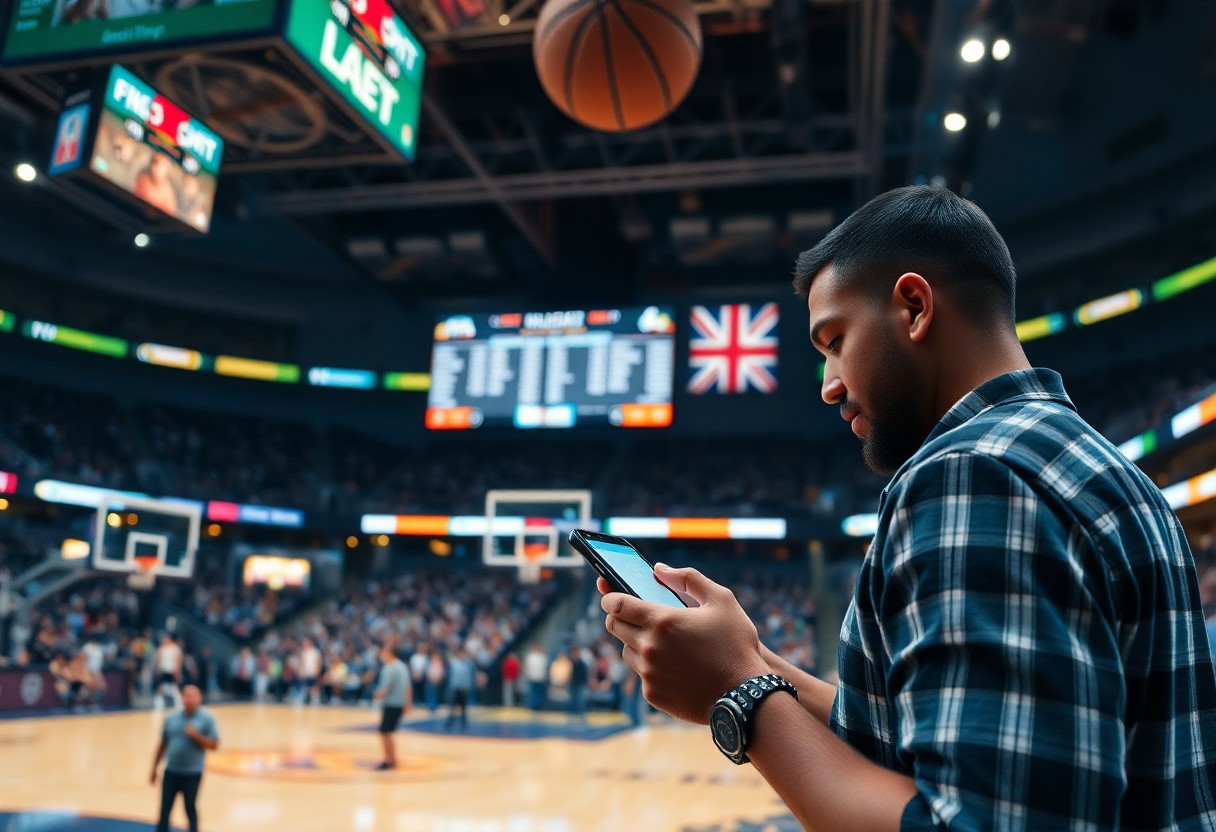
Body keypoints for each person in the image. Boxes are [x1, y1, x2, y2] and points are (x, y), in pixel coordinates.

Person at [598, 185, 1216, 831]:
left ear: (914, 307)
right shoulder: (1107, 471)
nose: (831, 385)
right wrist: (752, 662)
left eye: (835, 340)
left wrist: (738, 695)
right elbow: (934, 743)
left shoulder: (971, 474)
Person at [150, 684, 219, 832]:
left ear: (199, 698)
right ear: (182, 698)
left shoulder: (206, 719)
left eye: (193, 696)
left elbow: (214, 744)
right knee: (165, 809)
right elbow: (162, 745)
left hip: (192, 773)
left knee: (190, 807)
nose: (189, 699)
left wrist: (197, 737)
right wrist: (154, 769)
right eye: (186, 696)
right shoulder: (171, 718)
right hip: (171, 772)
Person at [371, 642, 411, 770]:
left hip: (390, 703)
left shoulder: (389, 668)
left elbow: (383, 690)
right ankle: (391, 758)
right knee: (389, 732)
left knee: (385, 732)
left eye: (384, 651)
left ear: (389, 653)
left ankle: (389, 759)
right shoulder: (402, 667)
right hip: (399, 704)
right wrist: (408, 704)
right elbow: (408, 687)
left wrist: (375, 695)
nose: (382, 654)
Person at [445, 644, 476, 730]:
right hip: (455, 688)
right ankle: (450, 723)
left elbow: (469, 676)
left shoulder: (468, 664)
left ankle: (464, 724)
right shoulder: (454, 663)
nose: (462, 655)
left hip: (464, 688)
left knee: (464, 708)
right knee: (452, 707)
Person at [153, 635, 182, 711]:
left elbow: (178, 659)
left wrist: (177, 671)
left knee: (174, 688)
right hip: (164, 671)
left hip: (172, 671)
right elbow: (159, 659)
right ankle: (158, 705)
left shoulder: (175, 648)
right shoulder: (161, 649)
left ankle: (179, 704)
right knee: (161, 688)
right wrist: (158, 669)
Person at [523, 644, 547, 711]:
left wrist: (543, 677)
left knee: (538, 694)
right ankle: (530, 706)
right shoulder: (530, 657)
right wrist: (528, 675)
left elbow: (544, 668)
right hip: (532, 678)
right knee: (531, 693)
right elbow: (527, 667)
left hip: (540, 678)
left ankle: (537, 707)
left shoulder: (542, 657)